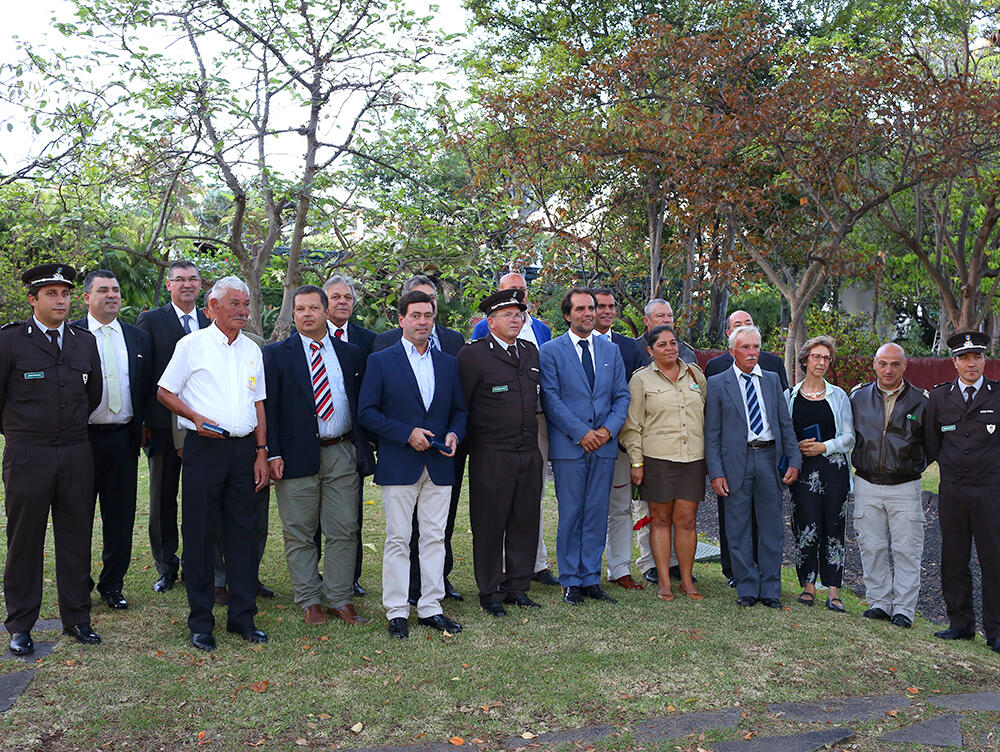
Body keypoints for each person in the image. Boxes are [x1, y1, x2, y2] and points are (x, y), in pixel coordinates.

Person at [157, 276, 270, 651]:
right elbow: (164, 392)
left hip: (244, 452)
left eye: (246, 304)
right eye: (234, 304)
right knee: (200, 534)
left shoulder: (252, 348)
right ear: (212, 308)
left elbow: (258, 403)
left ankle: (243, 618)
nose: (242, 311)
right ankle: (201, 622)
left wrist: (261, 451)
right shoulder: (191, 345)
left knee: (243, 534)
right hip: (204, 450)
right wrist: (195, 417)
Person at [1, 264, 104, 656]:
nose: (60, 300)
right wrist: (23, 433)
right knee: (24, 540)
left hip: (76, 451)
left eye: (65, 293)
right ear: (33, 300)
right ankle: (20, 624)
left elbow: (93, 395)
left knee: (76, 536)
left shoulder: (83, 341)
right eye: (51, 294)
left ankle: (77, 618)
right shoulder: (10, 341)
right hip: (29, 453)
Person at [359, 290, 467, 638]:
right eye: (416, 315)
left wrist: (454, 433)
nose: (423, 322)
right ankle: (397, 611)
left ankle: (431, 607)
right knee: (398, 539)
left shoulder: (448, 363)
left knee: (435, 538)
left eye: (428, 315)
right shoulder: (381, 360)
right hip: (400, 463)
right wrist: (406, 434)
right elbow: (367, 413)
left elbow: (459, 410)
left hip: (439, 464)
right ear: (401, 319)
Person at [264, 285, 373, 626]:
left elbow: (358, 401)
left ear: (327, 311)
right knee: (299, 531)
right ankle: (309, 599)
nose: (306, 314)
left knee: (344, 528)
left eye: (313, 308)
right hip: (294, 455)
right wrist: (272, 453)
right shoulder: (276, 355)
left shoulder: (350, 353)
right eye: (300, 309)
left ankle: (340, 598)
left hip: (341, 451)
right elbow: (269, 409)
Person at [539, 288, 631, 605]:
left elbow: (622, 396)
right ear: (568, 315)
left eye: (591, 308)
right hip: (570, 447)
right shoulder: (551, 351)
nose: (589, 313)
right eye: (581, 309)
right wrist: (581, 433)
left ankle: (591, 577)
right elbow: (550, 399)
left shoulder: (611, 351)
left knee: (596, 513)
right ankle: (571, 580)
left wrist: (606, 431)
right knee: (571, 514)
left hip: (604, 446)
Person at [459, 289, 543, 616]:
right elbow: (463, 405)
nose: (515, 320)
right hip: (491, 453)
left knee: (525, 521)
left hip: (528, 451)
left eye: (519, 314)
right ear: (490, 321)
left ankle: (518, 586)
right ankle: (490, 591)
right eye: (508, 314)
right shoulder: (474, 356)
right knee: (490, 523)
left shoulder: (530, 352)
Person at [72, 270, 152, 611]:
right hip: (81, 440)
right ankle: (78, 585)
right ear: (86, 297)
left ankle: (113, 585)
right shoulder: (71, 335)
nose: (112, 295)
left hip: (123, 439)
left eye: (116, 290)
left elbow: (146, 387)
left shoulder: (137, 338)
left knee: (120, 518)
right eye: (103, 290)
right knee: (77, 517)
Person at [471, 272, 557, 586]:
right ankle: (498, 576)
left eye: (521, 291)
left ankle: (530, 569)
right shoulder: (480, 337)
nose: (517, 298)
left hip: (533, 427)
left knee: (530, 501)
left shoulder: (539, 335)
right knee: (498, 506)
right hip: (496, 436)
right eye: (510, 292)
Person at [705, 325, 800, 608]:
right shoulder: (718, 383)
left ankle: (770, 589)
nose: (752, 352)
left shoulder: (771, 380)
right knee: (737, 529)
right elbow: (712, 434)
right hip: (736, 462)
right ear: (732, 351)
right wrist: (716, 472)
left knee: (772, 529)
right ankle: (746, 586)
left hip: (769, 460)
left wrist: (794, 460)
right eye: (745, 347)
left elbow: (785, 424)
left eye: (756, 347)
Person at [924, 330, 1000, 654]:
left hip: (990, 491)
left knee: (993, 561)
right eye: (964, 358)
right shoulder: (940, 397)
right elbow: (931, 442)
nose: (971, 363)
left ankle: (996, 630)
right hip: (953, 490)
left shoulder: (997, 395)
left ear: (985, 360)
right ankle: (960, 624)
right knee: (953, 558)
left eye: (977, 357)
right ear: (954, 362)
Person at [136, 260, 210, 593]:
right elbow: (143, 374)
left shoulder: (210, 320)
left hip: (203, 423)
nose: (187, 285)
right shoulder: (152, 321)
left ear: (201, 285)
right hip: (163, 424)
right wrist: (143, 420)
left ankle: (199, 563)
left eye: (193, 279)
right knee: (163, 497)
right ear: (169, 285)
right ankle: (166, 566)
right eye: (180, 279)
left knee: (201, 496)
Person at [620, 325, 707, 601]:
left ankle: (687, 581)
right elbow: (632, 426)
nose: (669, 348)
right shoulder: (640, 380)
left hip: (692, 459)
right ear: (650, 350)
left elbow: (706, 415)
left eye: (673, 343)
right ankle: (664, 582)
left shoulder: (695, 375)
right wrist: (636, 463)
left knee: (687, 521)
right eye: (662, 344)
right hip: (658, 460)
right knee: (659, 520)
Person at [850, 343, 928, 629]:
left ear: (905, 366)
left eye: (895, 364)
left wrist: (911, 464)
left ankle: (904, 609)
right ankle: (879, 603)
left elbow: (932, 444)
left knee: (907, 550)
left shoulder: (921, 401)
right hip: (866, 483)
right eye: (883, 363)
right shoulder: (858, 397)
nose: (888, 370)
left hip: (904, 487)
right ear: (874, 365)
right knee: (871, 547)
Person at [785, 336, 854, 612]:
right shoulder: (790, 396)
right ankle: (808, 586)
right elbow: (784, 433)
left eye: (826, 358)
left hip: (833, 469)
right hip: (802, 471)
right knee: (806, 527)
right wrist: (797, 447)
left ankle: (833, 590)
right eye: (817, 357)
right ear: (805, 360)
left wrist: (825, 446)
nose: (822, 362)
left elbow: (849, 437)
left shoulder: (839, 396)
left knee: (834, 527)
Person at [323, 274, 376, 597]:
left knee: (350, 515)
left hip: (352, 442)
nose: (343, 302)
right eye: (336, 297)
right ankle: (315, 574)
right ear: (324, 303)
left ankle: (350, 576)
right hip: (313, 439)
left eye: (348, 297)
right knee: (312, 517)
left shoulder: (368, 341)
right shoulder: (303, 335)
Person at [591, 287, 646, 590]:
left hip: (619, 440)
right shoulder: (569, 345)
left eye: (612, 306)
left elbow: (634, 395)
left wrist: (614, 430)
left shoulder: (629, 348)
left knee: (621, 506)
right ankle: (586, 569)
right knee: (588, 507)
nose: (607, 311)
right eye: (601, 306)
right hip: (583, 441)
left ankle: (620, 568)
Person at [639, 299, 696, 365]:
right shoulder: (635, 349)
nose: (667, 320)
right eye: (660, 316)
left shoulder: (685, 351)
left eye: (670, 315)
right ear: (646, 320)